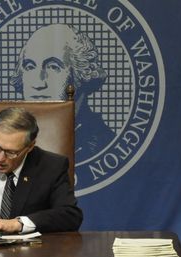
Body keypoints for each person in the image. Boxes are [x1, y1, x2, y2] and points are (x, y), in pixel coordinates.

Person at [9, 24, 114, 158]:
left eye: (53, 67)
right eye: (30, 67)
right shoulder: (8, 142)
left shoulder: (101, 144)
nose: (38, 83)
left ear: (81, 75)